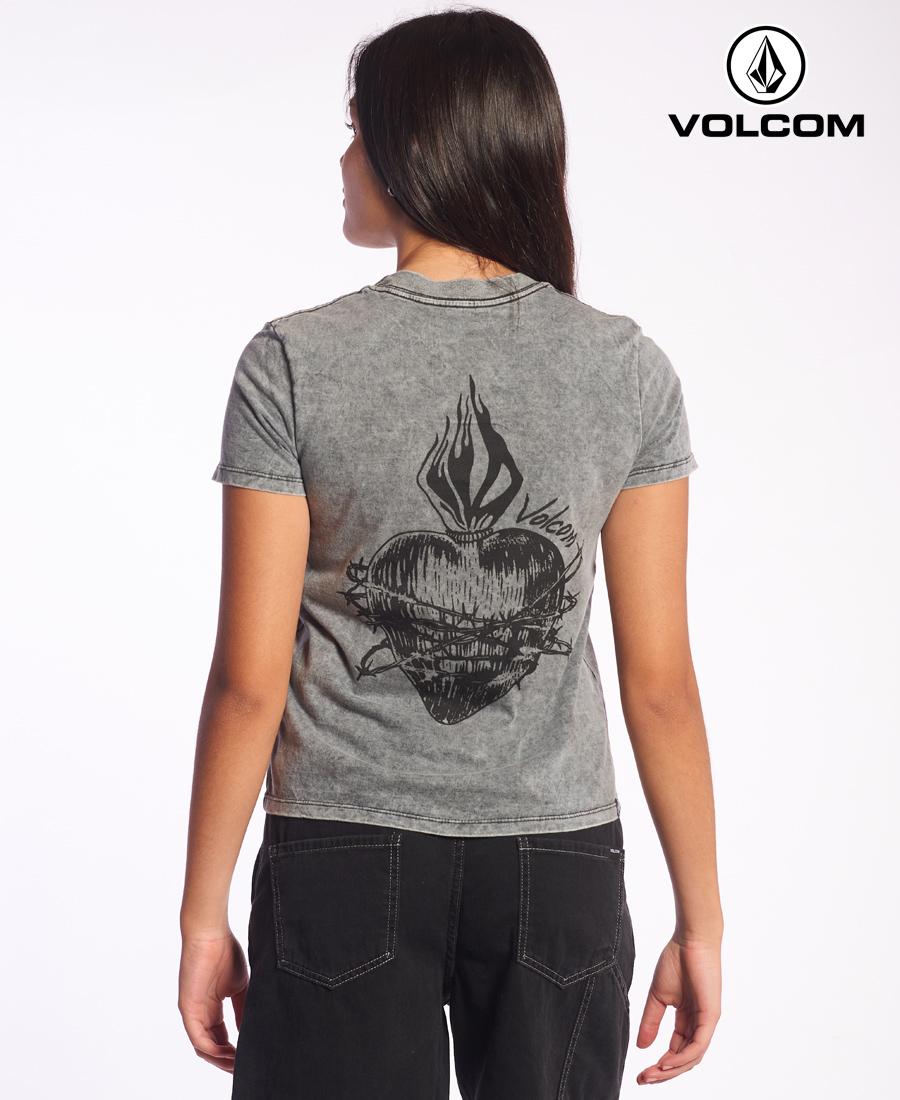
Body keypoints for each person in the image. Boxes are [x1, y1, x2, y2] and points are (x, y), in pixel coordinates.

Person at [178, 8, 723, 1098]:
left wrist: (201, 916)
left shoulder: (295, 361)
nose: (344, 159)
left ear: (416, 143)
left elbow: (250, 678)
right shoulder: (625, 368)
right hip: (558, 862)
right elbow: (660, 684)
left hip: (342, 851)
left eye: (357, 130)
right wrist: (700, 921)